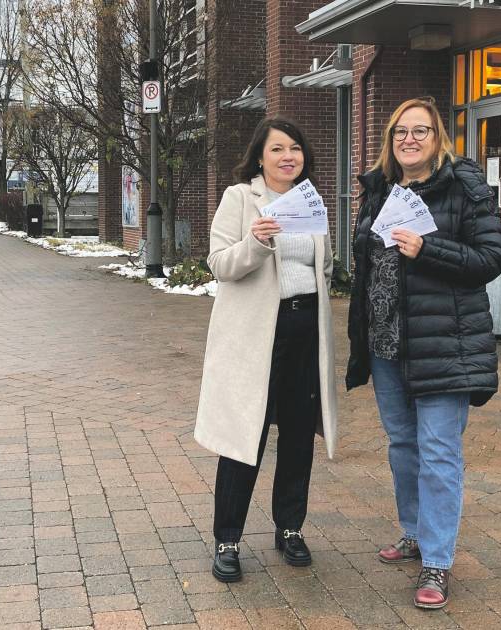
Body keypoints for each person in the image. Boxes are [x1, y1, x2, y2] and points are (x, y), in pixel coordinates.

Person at [346, 97, 501, 610]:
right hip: (387, 342)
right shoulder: (377, 190)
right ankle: (414, 531)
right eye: (400, 132)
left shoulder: (463, 186)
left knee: (439, 451)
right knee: (403, 445)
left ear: (438, 137)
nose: (409, 140)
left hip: (445, 344)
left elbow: (491, 257)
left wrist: (428, 248)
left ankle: (437, 560)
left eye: (420, 131)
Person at [194, 117, 339, 584]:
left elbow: (326, 265)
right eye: (277, 149)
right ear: (261, 156)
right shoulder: (240, 198)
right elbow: (219, 264)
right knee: (245, 438)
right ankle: (228, 539)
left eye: (295, 148)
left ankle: (290, 528)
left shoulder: (311, 202)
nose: (287, 157)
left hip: (304, 330)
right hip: (258, 335)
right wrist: (256, 243)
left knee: (298, 436)